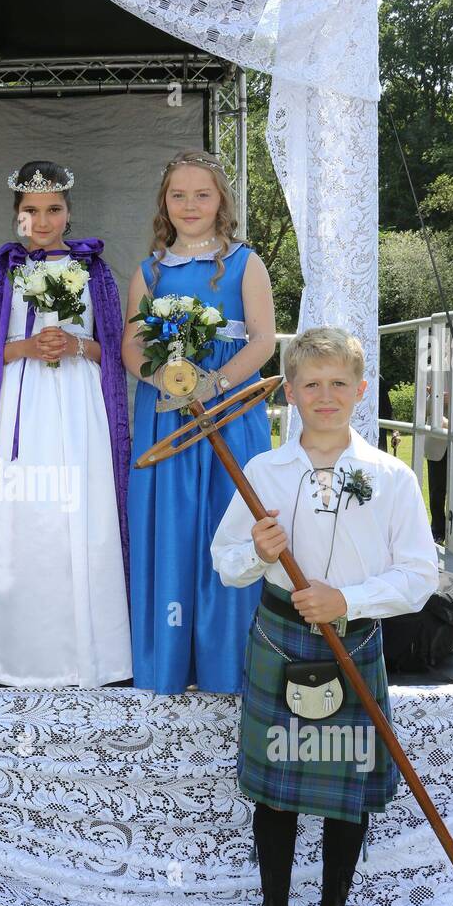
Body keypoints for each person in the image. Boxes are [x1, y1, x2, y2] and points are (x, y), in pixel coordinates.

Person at [211, 327, 439, 906]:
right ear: (289, 393)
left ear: (361, 391)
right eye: (310, 383)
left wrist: (348, 597)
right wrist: (258, 548)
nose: (325, 395)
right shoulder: (263, 474)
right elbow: (227, 567)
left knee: (346, 800)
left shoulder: (390, 477)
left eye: (339, 382)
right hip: (281, 641)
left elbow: (420, 574)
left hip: (354, 642)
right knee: (277, 796)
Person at [0, 160, 131, 686]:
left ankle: (94, 652)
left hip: (79, 406)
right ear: (16, 216)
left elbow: (116, 351)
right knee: (27, 517)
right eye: (31, 210)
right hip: (21, 403)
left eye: (54, 209)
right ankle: (22, 654)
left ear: (68, 212)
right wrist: (29, 347)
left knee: (83, 514)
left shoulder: (94, 269)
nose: (43, 220)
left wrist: (77, 344)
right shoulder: (4, 270)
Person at [124, 150, 276, 694]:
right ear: (164, 203)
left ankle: (227, 665)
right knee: (172, 524)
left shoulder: (245, 262)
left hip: (229, 411)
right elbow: (133, 344)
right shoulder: (149, 269)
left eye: (202, 194)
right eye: (178, 195)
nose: (190, 205)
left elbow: (262, 340)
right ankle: (167, 661)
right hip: (167, 413)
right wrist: (164, 377)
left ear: (221, 202)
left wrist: (215, 384)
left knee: (227, 523)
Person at [424, 387, 449, 545]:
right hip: (437, 443)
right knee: (436, 491)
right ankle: (438, 531)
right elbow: (421, 410)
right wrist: (435, 398)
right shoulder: (429, 371)